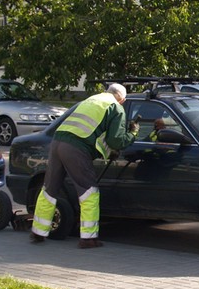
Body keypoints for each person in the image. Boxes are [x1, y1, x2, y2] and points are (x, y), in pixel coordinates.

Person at [30, 83, 139, 248]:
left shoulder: (92, 99)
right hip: (75, 148)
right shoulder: (116, 108)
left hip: (57, 142)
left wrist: (108, 150)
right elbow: (115, 140)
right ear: (122, 99)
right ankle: (88, 239)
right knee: (89, 191)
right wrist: (132, 133)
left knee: (49, 188)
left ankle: (38, 232)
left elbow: (95, 132)